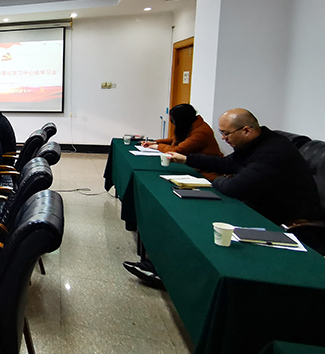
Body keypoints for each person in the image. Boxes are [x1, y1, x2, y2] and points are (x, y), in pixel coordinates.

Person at [167, 108, 322, 225]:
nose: (223, 138)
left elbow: (233, 187)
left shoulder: (273, 151)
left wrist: (212, 180)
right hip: (260, 206)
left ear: (246, 130)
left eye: (226, 134)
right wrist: (186, 159)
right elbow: (226, 163)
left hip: (287, 221)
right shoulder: (255, 143)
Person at [123, 104, 223, 286]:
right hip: (195, 171)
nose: (224, 137)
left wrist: (158, 146)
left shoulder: (201, 132)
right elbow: (175, 140)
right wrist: (155, 142)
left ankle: (161, 268)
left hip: (207, 176)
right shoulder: (192, 126)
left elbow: (177, 150)